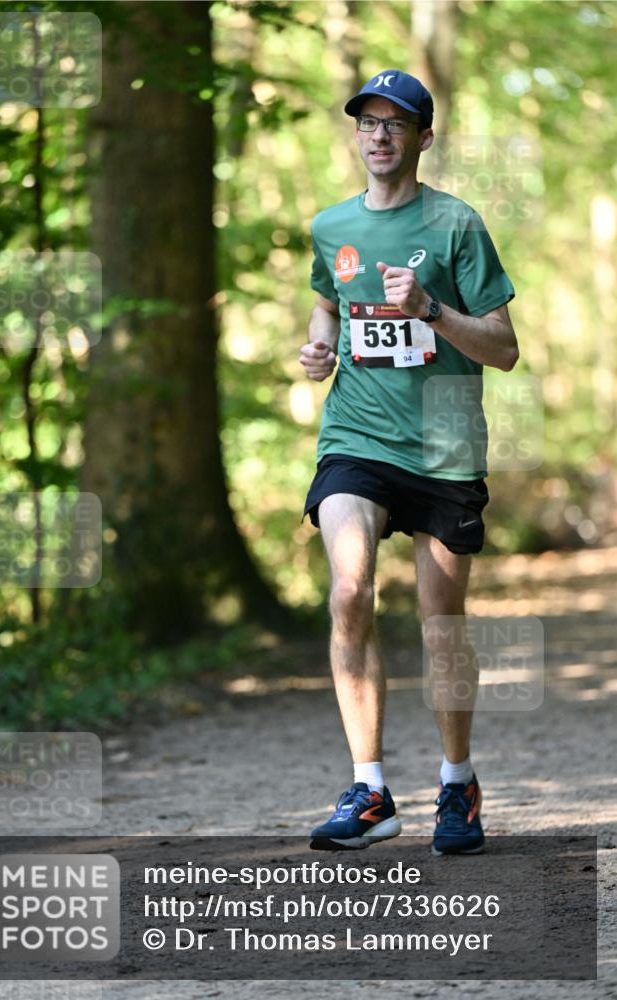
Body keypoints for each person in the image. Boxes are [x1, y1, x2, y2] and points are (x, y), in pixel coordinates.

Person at [299, 69, 518, 855]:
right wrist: (320, 342)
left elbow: (504, 349)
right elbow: (329, 294)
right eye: (368, 121)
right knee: (350, 588)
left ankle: (457, 784)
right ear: (356, 134)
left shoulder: (456, 225)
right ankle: (368, 790)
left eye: (398, 123)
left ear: (424, 138)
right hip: (355, 437)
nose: (380, 134)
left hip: (444, 446)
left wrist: (428, 308)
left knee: (439, 627)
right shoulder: (330, 226)